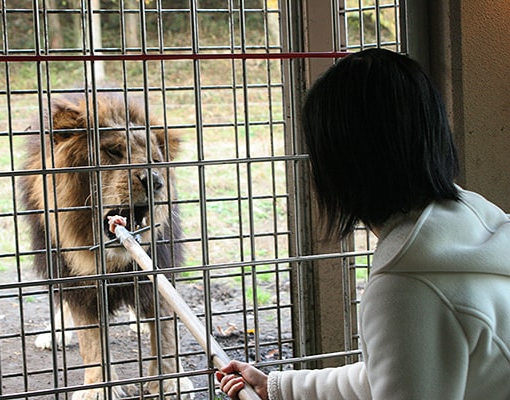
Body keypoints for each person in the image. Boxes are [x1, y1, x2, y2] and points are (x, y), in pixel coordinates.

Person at [216, 48, 510, 399]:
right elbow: (392, 372)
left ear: (341, 162)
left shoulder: (407, 287)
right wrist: (279, 387)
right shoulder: (474, 225)